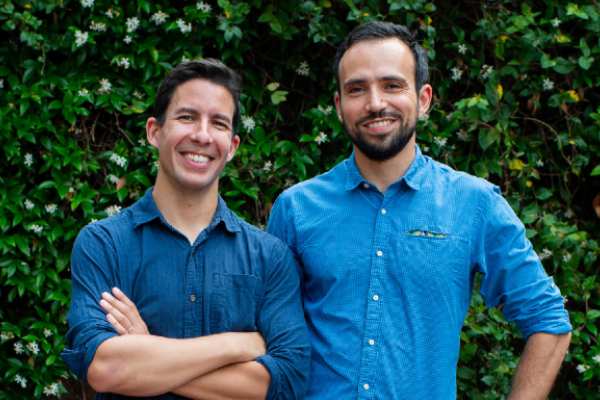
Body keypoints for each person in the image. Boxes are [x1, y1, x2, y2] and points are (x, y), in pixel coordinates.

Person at [267, 21, 572, 399]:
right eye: (357, 89)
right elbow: (268, 338)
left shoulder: (475, 205)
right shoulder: (296, 209)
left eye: (392, 85)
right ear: (339, 106)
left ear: (423, 99)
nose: (375, 102)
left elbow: (549, 321)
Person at [62, 59, 310, 400]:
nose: (202, 135)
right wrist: (238, 345)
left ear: (232, 147)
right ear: (154, 131)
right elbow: (104, 369)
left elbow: (286, 382)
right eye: (187, 117)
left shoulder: (270, 257)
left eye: (218, 123)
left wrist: (145, 354)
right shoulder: (104, 244)